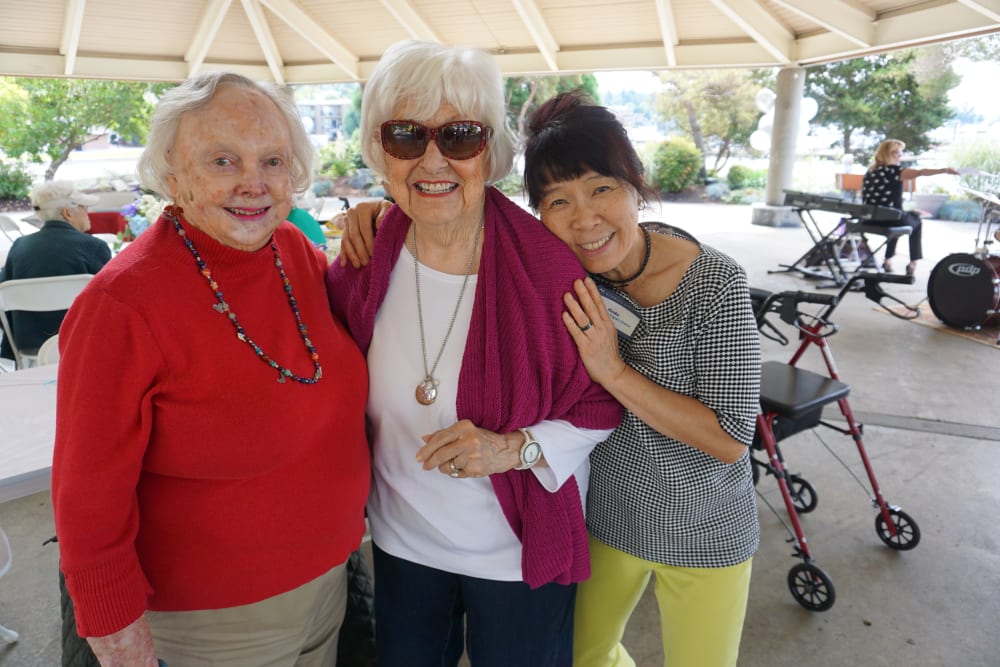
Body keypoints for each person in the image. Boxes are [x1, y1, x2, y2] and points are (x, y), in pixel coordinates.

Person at [338, 90, 762, 667]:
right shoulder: (558, 272)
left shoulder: (713, 282)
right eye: (558, 200)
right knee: (588, 658)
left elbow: (731, 437)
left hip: (701, 528)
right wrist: (380, 209)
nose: (585, 219)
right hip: (606, 521)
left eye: (602, 189)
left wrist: (611, 371)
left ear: (635, 185)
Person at [51, 71, 371, 666]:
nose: (254, 183)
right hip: (213, 626)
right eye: (223, 160)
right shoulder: (121, 304)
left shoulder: (294, 252)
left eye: (273, 160)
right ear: (172, 174)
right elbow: (86, 500)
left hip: (329, 589)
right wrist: (118, 641)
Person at [325, 41, 622, 666]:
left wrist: (516, 447)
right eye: (406, 136)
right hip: (402, 543)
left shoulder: (547, 271)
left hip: (513, 551)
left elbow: (600, 401)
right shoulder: (363, 261)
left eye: (460, 136)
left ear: (490, 151)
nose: (433, 160)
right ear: (380, 151)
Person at [0, 181, 111, 361]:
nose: (88, 213)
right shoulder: (93, 247)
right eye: (84, 207)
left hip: (27, 346)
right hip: (82, 343)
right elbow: (111, 302)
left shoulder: (19, 247)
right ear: (68, 213)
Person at [862, 139, 958, 275]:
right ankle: (913, 263)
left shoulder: (871, 171)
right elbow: (921, 172)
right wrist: (944, 170)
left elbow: (882, 200)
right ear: (888, 154)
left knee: (903, 218)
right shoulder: (894, 171)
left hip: (870, 218)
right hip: (890, 218)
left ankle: (888, 259)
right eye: (898, 153)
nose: (900, 156)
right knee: (916, 222)